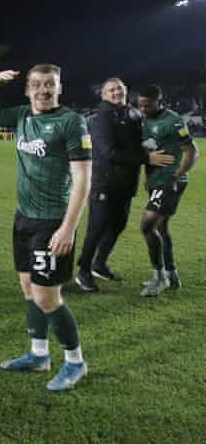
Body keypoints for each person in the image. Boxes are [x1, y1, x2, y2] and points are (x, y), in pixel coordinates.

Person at [0, 65, 91, 392]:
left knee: (47, 297)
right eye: (36, 85)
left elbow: (82, 179)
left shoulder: (71, 122)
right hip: (23, 217)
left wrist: (68, 228)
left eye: (49, 85)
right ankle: (39, 355)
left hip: (52, 221)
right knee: (27, 287)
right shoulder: (23, 114)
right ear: (27, 89)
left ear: (59, 87)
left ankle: (75, 362)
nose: (43, 90)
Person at [74, 78, 174, 292]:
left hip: (126, 183)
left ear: (126, 91)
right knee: (97, 228)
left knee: (117, 226)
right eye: (111, 89)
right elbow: (109, 153)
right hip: (105, 182)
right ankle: (83, 271)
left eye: (119, 88)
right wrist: (146, 158)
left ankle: (99, 265)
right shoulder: (101, 117)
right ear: (103, 95)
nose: (116, 92)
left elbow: (140, 143)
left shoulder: (131, 114)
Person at [137, 85, 199, 296]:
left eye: (148, 105)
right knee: (161, 228)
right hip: (156, 181)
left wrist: (175, 176)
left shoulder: (173, 120)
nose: (143, 109)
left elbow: (192, 152)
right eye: (140, 105)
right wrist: (148, 178)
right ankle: (172, 274)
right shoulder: (144, 120)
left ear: (159, 102)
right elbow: (149, 152)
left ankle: (159, 277)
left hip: (170, 181)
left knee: (147, 227)